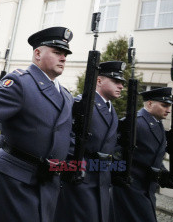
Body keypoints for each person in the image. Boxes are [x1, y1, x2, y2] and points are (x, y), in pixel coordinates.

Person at [0, 27, 74, 222]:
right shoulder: (20, 83)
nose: (63, 58)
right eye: (56, 52)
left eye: (65, 54)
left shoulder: (66, 96)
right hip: (17, 177)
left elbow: (67, 137)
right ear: (37, 54)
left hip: (48, 179)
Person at [54, 61, 126, 222]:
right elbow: (66, 135)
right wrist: (77, 164)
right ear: (99, 81)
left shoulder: (110, 109)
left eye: (122, 83)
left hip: (101, 179)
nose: (121, 86)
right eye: (116, 81)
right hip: (82, 176)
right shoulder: (82, 104)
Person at [113, 87, 173, 222]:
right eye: (164, 105)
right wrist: (119, 175)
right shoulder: (134, 123)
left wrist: (164, 174)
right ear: (149, 104)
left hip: (147, 189)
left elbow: (153, 155)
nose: (169, 110)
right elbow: (115, 153)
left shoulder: (157, 124)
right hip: (130, 190)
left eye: (169, 106)